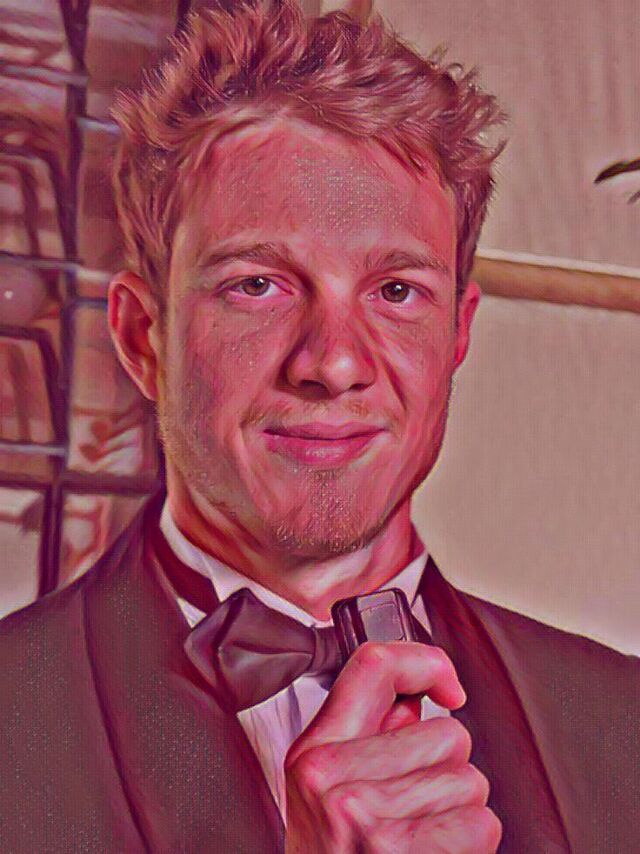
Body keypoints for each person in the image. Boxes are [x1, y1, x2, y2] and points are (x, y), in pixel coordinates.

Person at [1, 1, 639, 852]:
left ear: (458, 333)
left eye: (397, 291)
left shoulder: (623, 724)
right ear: (143, 337)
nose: (333, 362)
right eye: (256, 285)